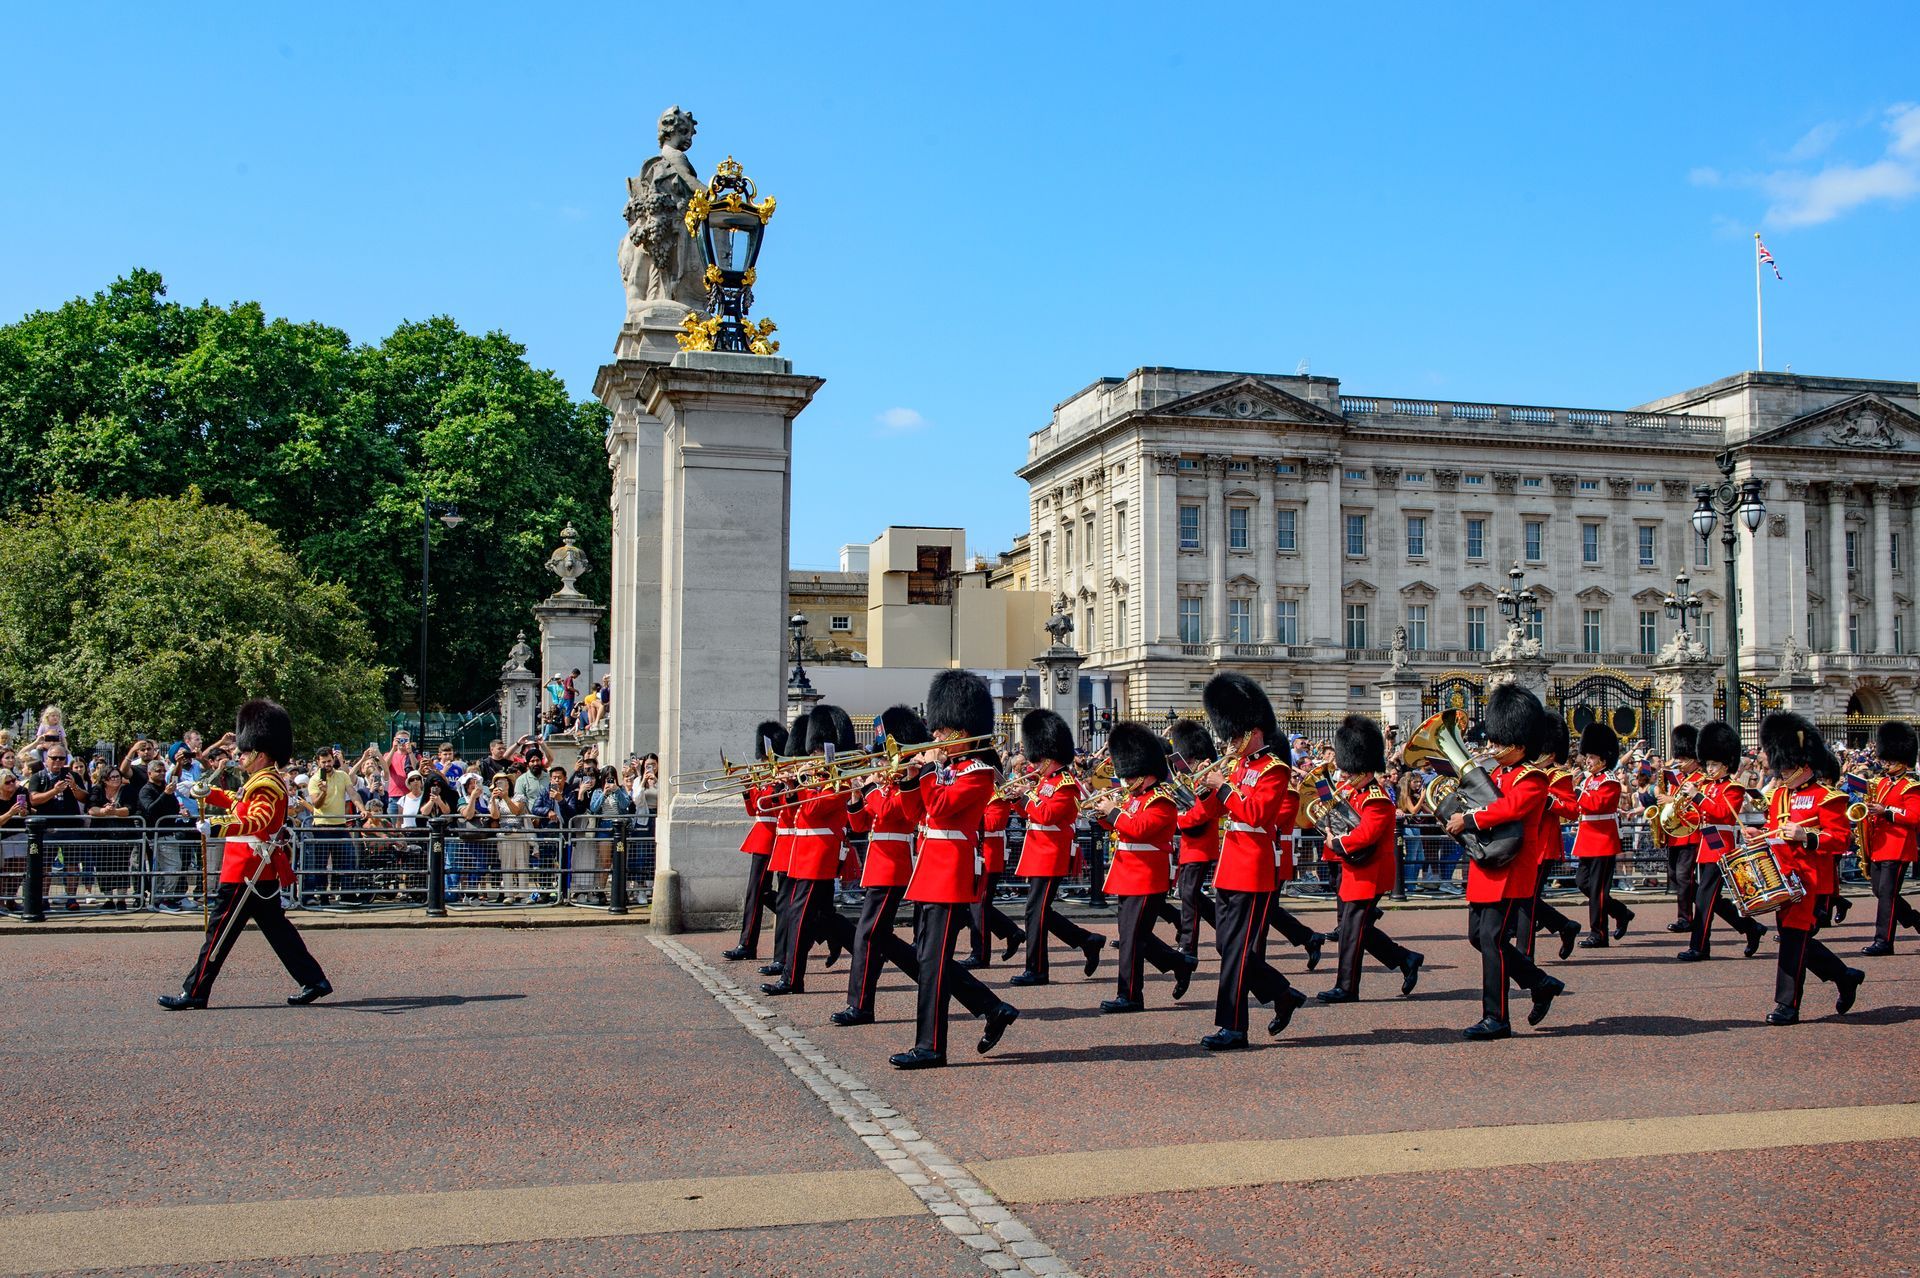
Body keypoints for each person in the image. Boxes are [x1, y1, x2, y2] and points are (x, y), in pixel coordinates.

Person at [159, 700, 331, 1010]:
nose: (240, 755)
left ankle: (195, 991)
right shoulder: (258, 781)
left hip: (246, 869)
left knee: (217, 934)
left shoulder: (265, 783)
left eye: (245, 751)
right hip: (255, 870)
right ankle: (313, 980)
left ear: (261, 754)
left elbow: (257, 821)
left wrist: (216, 826)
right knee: (278, 932)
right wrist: (204, 792)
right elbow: (240, 804)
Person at [889, 670, 1020, 1070]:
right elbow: (917, 814)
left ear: (963, 729)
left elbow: (944, 811)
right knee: (930, 959)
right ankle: (992, 1007)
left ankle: (931, 1047)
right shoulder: (946, 769)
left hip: (950, 872)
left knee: (932, 962)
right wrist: (909, 780)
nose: (937, 738)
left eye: (943, 731)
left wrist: (928, 772)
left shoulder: (979, 773)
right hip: (928, 870)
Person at [1445, 683, 1566, 1040]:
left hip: (1511, 867)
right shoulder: (1497, 774)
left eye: (1500, 743)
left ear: (1521, 744)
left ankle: (1496, 1017)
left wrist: (1469, 820)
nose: (1493, 748)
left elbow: (1509, 808)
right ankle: (1539, 982)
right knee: (1478, 937)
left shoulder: (1534, 777)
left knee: (1493, 940)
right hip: (1487, 864)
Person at [1194, 673, 1307, 1051]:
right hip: (1230, 866)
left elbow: (1257, 814)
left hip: (1254, 868)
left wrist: (1223, 786)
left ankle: (1234, 1027)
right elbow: (1214, 811)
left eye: (1233, 734)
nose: (1228, 742)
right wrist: (1203, 790)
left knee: (1239, 951)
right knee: (1227, 948)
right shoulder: (1238, 767)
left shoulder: (1275, 769)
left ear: (1252, 731)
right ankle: (1282, 993)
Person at [1754, 712, 1864, 1025]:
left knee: (1792, 940)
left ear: (1804, 765)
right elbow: (1773, 829)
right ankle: (1845, 976)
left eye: (1787, 768)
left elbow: (1841, 839)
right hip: (1783, 879)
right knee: (1796, 939)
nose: (1782, 773)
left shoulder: (1828, 798)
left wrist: (1808, 836)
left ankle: (1787, 1006)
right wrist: (1759, 834)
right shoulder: (1778, 796)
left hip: (1810, 882)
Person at [1086, 722, 1197, 1012]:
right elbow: (1123, 827)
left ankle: (1131, 995)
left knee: (1132, 941)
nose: (1126, 779)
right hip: (1127, 873)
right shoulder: (1135, 798)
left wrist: (1114, 812)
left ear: (1146, 773)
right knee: (1134, 937)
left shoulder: (1161, 800)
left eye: (1131, 773)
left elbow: (1141, 829)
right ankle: (1179, 962)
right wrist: (1103, 815)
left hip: (1147, 876)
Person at [833, 706, 931, 1025]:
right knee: (876, 937)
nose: (881, 760)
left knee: (866, 936)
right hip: (878, 864)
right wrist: (854, 797)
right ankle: (931, 975)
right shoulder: (889, 780)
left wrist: (872, 787)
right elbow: (861, 826)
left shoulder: (906, 781)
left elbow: (894, 814)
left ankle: (860, 1006)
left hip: (893, 866)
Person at [1315, 715, 1423, 1002]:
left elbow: (1364, 835)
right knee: (1357, 928)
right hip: (1354, 868)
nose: (1346, 776)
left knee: (1351, 930)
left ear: (1364, 767)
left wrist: (1335, 841)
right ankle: (1406, 958)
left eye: (1351, 771)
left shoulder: (1376, 798)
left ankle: (1347, 987)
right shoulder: (1352, 791)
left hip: (1369, 873)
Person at [762, 705, 855, 996]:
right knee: (810, 916)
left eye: (816, 753)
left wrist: (796, 785)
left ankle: (792, 979)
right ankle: (864, 946)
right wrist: (789, 786)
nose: (812, 759)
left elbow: (813, 811)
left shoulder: (838, 781)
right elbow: (790, 809)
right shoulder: (817, 780)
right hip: (802, 854)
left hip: (820, 855)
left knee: (800, 918)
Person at [1010, 709, 1104, 986]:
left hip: (1051, 853)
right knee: (1039, 911)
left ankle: (1037, 969)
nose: (1034, 763)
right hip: (1037, 850)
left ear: (1049, 757)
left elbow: (1048, 816)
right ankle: (1086, 940)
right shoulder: (1044, 782)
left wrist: (1026, 798)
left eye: (1038, 758)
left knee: (1035, 911)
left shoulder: (1066, 784)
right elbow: (1032, 813)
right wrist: (1016, 800)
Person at [1677, 721, 1767, 961]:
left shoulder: (1733, 788)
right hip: (1706, 842)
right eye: (1707, 763)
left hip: (1721, 846)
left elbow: (1722, 814)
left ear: (1726, 764)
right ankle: (1751, 928)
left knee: (1704, 899)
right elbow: (1699, 816)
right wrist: (1682, 807)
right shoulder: (1706, 786)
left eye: (1714, 764)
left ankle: (1699, 947)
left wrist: (1697, 796)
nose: (1709, 768)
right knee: (1710, 898)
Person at [723, 720, 788, 961]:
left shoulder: (782, 776)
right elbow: (754, 810)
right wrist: (747, 789)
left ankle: (759, 944)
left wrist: (757, 788)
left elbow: (769, 805)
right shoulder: (765, 776)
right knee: (755, 893)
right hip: (761, 837)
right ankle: (747, 943)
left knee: (768, 893)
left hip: (775, 837)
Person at [1527, 712, 1588, 960]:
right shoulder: (1527, 774)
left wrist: (1549, 800)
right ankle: (1564, 926)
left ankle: (1526, 952)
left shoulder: (1559, 777)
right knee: (1524, 899)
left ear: (1550, 754)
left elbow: (1573, 810)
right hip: (1524, 843)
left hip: (1544, 845)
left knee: (1527, 899)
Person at [1570, 723, 1634, 948]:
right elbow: (1578, 807)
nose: (1587, 761)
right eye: (1587, 757)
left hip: (1602, 841)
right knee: (1583, 883)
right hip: (1587, 839)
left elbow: (1597, 805)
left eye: (1592, 757)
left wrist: (1577, 791)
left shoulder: (1610, 782)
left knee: (1597, 890)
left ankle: (1599, 934)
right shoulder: (1588, 780)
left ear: (1604, 760)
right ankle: (1620, 912)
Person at [1162, 719, 1222, 960]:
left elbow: (1204, 813)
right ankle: (1224, 930)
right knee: (1190, 894)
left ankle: (1188, 944)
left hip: (1202, 844)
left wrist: (1179, 820)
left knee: (1188, 894)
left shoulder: (1207, 777)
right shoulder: (1194, 776)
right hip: (1190, 845)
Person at [1860, 719, 1920, 955]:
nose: (1887, 764)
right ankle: (1915, 919)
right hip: (1879, 844)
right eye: (1886, 759)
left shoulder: (1911, 787)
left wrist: (1887, 812)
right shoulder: (1881, 783)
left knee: (1886, 893)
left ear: (1903, 761)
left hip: (1898, 846)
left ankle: (1883, 941)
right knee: (1880, 891)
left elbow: (1915, 817)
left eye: (1892, 760)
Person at [28, 742, 89, 908]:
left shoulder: (73, 776)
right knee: (45, 864)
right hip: (47, 826)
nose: (57, 761)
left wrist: (74, 787)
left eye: (61, 758)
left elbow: (84, 798)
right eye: (53, 758)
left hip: (71, 825)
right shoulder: (38, 776)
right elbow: (33, 799)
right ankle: (43, 899)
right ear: (46, 759)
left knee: (72, 863)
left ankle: (71, 898)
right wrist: (54, 791)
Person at [1655, 726, 1703, 934]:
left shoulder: (1700, 779)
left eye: (1683, 759)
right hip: (1675, 833)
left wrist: (1670, 799)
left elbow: (1693, 804)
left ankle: (1685, 918)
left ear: (1693, 757)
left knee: (1684, 877)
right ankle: (1708, 904)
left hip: (1690, 833)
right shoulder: (1679, 778)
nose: (1680, 763)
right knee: (1676, 877)